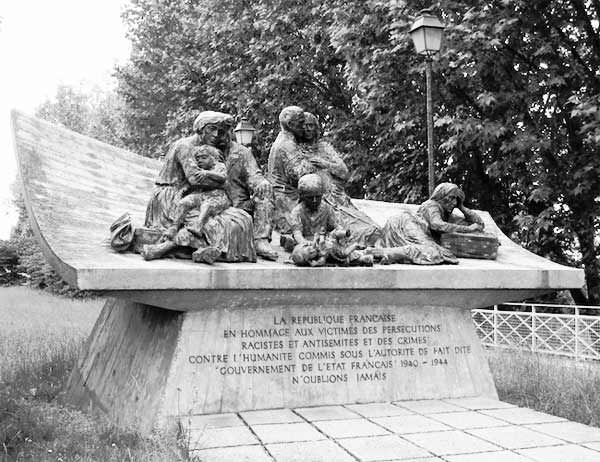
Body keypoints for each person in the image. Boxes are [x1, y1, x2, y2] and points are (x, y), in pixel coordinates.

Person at [142, 111, 256, 264]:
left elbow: (209, 177)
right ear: (200, 128)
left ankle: (204, 250)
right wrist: (223, 183)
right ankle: (172, 247)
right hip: (171, 197)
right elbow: (195, 178)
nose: (216, 134)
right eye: (212, 128)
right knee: (216, 223)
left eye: (221, 131)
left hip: (198, 195)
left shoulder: (206, 150)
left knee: (241, 220)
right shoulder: (185, 146)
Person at [268, 107, 381, 247]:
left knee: (367, 226)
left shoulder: (322, 147)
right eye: (304, 124)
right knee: (352, 228)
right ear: (294, 126)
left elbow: (344, 172)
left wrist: (324, 164)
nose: (307, 129)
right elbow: (300, 176)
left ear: (317, 128)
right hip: (309, 200)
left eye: (311, 125)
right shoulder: (290, 146)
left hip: (331, 197)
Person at [376, 182, 485, 264]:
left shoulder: (447, 214)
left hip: (411, 225)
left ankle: (386, 254)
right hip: (406, 223)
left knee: (436, 252)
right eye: (451, 198)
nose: (454, 202)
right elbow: (436, 225)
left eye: (456, 199)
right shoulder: (432, 205)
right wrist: (468, 229)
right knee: (432, 252)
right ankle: (381, 253)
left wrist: (461, 206)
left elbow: (479, 224)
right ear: (441, 195)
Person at [289, 174, 373, 267]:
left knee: (333, 248)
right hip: (307, 246)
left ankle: (356, 258)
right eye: (310, 197)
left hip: (325, 242)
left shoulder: (326, 208)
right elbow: (297, 233)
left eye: (318, 197)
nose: (314, 200)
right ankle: (353, 260)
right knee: (303, 255)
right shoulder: (297, 212)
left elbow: (335, 226)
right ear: (303, 197)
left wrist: (342, 233)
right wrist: (304, 243)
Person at [163, 144, 231, 241]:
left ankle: (198, 225)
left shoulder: (219, 166)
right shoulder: (200, 170)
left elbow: (223, 177)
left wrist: (207, 173)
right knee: (184, 202)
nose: (200, 160)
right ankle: (174, 226)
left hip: (217, 196)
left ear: (214, 158)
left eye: (204, 157)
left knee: (206, 206)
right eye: (198, 158)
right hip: (203, 195)